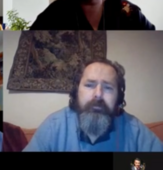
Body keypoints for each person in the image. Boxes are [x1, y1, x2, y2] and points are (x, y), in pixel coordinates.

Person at [24, 58, 163, 152]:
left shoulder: (135, 129)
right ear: (76, 90)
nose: (98, 94)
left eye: (108, 87)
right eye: (90, 85)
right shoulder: (54, 126)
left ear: (118, 96)